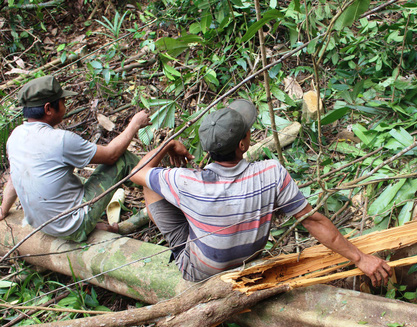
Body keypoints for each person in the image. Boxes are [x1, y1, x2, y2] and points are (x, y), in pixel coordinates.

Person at [130, 99, 392, 286]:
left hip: (199, 271)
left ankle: (186, 230)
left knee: (150, 183)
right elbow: (313, 220)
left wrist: (168, 145)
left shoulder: (185, 181)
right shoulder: (271, 173)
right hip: (249, 258)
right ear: (243, 144)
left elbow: (137, 173)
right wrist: (360, 258)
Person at [0, 75, 151, 243]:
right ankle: (162, 189)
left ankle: (96, 224)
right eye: (63, 102)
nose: (66, 106)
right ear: (48, 108)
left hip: (42, 224)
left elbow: (14, 179)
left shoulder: (16, 136)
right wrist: (135, 124)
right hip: (71, 225)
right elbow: (111, 155)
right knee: (122, 159)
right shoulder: (59, 140)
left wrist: (3, 209)